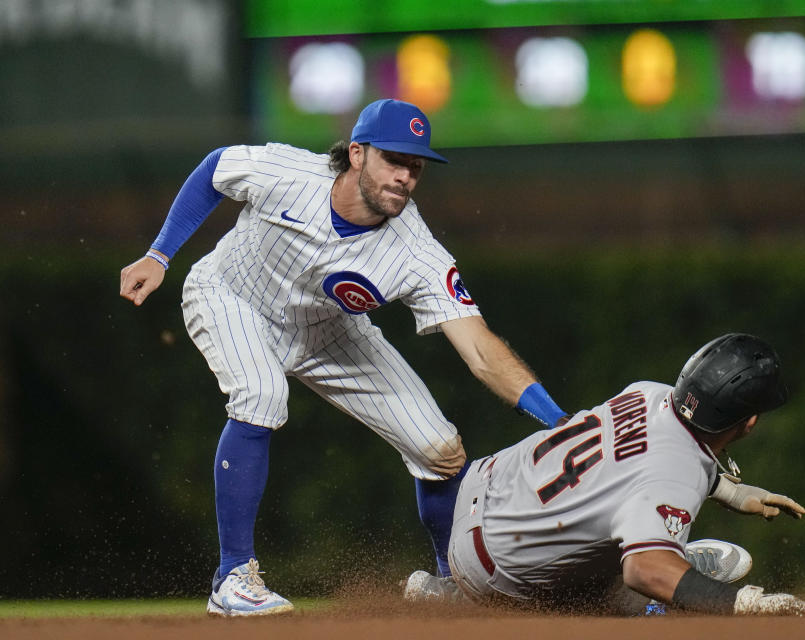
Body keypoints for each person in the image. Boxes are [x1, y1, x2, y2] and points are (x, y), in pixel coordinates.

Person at [118, 99, 565, 616]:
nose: (404, 176)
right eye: (393, 159)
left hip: (327, 330)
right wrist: (159, 253)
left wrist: (556, 420)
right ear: (357, 153)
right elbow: (215, 168)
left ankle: (451, 579)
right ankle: (231, 577)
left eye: (415, 166)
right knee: (261, 395)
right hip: (230, 295)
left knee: (440, 448)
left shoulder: (416, 252)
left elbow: (481, 349)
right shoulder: (290, 173)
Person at [404, 333, 805, 616]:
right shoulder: (674, 478)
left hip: (481, 487)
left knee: (609, 514)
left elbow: (633, 465)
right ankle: (673, 556)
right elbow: (645, 570)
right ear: (748, 422)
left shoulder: (650, 392)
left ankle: (448, 593)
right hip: (496, 571)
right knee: (649, 601)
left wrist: (731, 492)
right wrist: (747, 603)